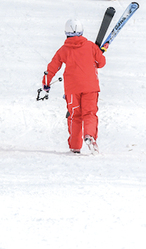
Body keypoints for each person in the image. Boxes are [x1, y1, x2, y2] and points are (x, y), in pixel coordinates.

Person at [42, 18, 106, 154]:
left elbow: (52, 67)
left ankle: (75, 146)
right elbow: (101, 63)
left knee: (75, 116)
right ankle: (89, 135)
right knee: (89, 113)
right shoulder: (91, 46)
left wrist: (46, 82)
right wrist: (99, 53)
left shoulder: (63, 50)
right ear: (81, 31)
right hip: (90, 87)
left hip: (72, 89)